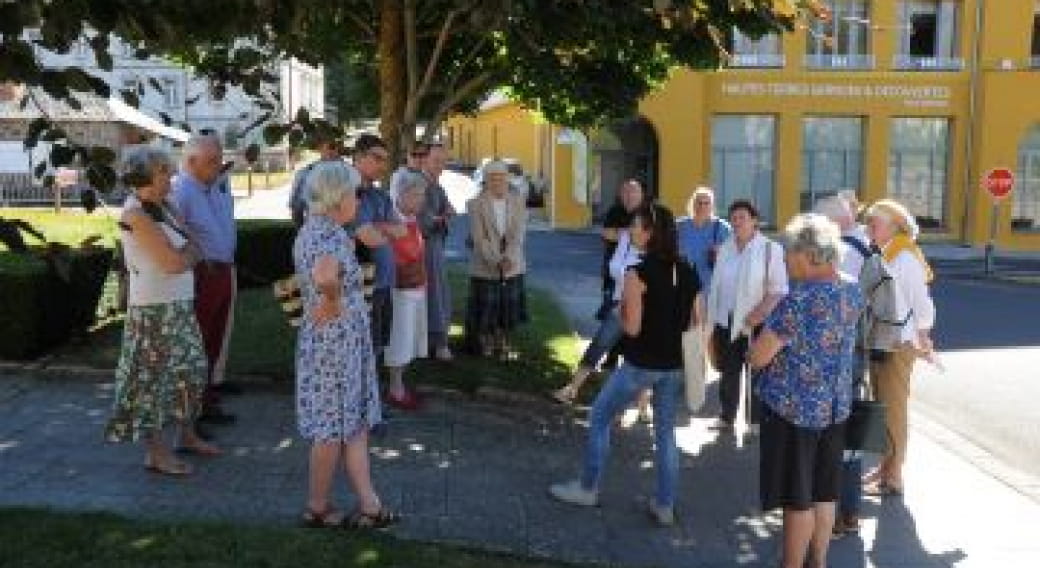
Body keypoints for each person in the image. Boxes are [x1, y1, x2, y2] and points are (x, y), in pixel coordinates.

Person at [549, 203, 700, 527]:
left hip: (640, 364)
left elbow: (631, 328)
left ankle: (587, 488)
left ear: (652, 232)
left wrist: (621, 312)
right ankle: (665, 505)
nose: (632, 231)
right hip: (674, 368)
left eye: (638, 226)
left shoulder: (638, 273)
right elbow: (697, 320)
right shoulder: (687, 269)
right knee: (665, 436)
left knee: (600, 416)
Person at [748, 213, 865, 568]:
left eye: (790, 253)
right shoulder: (851, 288)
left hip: (794, 411)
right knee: (825, 492)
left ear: (810, 255)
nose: (785, 259)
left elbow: (759, 357)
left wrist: (756, 335)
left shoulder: (797, 301)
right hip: (834, 408)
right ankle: (819, 561)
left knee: (797, 499)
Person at [293, 161, 399, 529]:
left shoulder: (323, 229)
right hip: (334, 346)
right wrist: (333, 301)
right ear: (337, 198)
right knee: (331, 429)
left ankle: (369, 504)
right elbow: (324, 274)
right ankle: (317, 507)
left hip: (340, 342)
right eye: (354, 193)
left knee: (352, 424)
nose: (359, 199)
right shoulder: (326, 234)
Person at [105, 146, 220, 476]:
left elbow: (191, 245)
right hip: (153, 312)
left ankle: (186, 435)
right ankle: (156, 454)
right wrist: (187, 255)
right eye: (163, 171)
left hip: (177, 306)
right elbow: (173, 261)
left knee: (191, 371)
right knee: (153, 383)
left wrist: (186, 254)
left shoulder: (163, 206)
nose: (171, 176)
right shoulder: (135, 215)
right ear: (144, 177)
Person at [862, 199, 936, 497]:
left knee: (893, 409)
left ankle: (893, 477)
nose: (868, 228)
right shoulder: (889, 253)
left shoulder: (904, 257)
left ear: (894, 225)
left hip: (898, 343)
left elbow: (922, 303)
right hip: (885, 341)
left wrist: (922, 336)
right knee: (883, 407)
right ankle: (886, 466)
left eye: (874, 223)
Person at [171, 133, 237, 429]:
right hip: (201, 275)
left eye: (219, 159)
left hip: (222, 271)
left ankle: (206, 400)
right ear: (191, 161)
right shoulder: (182, 191)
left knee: (212, 341)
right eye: (212, 161)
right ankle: (189, 413)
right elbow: (175, 238)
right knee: (197, 343)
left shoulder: (210, 187)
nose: (218, 166)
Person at [814, 194, 870, 536]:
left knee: (833, 438)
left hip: (836, 359)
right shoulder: (866, 246)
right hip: (855, 352)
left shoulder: (844, 255)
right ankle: (849, 511)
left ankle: (834, 515)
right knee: (849, 437)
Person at [551, 198, 643, 404]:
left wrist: (629, 275)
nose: (632, 228)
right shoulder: (626, 239)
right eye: (633, 223)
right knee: (599, 344)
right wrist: (632, 276)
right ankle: (572, 388)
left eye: (637, 224)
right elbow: (614, 267)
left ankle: (643, 406)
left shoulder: (655, 248)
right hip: (620, 304)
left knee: (640, 356)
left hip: (644, 310)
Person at [707, 200, 788, 433]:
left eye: (743, 217)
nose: (737, 221)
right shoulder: (725, 248)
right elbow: (717, 285)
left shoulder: (770, 249)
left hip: (757, 320)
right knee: (728, 371)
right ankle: (726, 417)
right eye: (733, 217)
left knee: (757, 371)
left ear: (754, 221)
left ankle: (755, 421)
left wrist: (760, 311)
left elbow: (779, 289)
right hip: (726, 319)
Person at [349, 134, 404, 366]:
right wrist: (383, 230)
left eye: (385, 159)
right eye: (377, 158)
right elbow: (370, 239)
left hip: (383, 282)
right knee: (361, 348)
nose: (383, 164)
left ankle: (369, 396)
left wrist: (379, 227)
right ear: (358, 158)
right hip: (359, 286)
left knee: (377, 345)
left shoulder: (380, 195)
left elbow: (402, 231)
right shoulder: (349, 195)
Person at [465, 159, 528, 358]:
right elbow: (478, 238)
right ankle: (486, 343)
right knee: (486, 308)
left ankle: (504, 342)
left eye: (501, 177)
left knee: (508, 308)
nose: (498, 181)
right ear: (485, 180)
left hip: (513, 263)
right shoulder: (475, 204)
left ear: (507, 178)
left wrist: (508, 257)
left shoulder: (518, 201)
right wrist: (496, 260)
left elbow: (518, 234)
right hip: (485, 264)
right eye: (492, 177)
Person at [384, 172, 430, 411]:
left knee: (409, 336)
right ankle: (395, 389)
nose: (420, 200)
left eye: (421, 195)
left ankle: (399, 384)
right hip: (400, 289)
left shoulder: (411, 218)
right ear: (401, 195)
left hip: (415, 286)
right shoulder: (393, 220)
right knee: (399, 338)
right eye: (415, 195)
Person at [419, 143, 456, 361]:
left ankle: (433, 341)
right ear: (424, 159)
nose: (440, 166)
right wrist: (441, 218)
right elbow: (422, 221)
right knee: (432, 294)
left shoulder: (436, 186)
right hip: (421, 249)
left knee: (437, 293)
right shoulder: (419, 184)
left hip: (434, 246)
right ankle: (436, 343)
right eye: (436, 160)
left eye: (444, 161)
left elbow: (447, 210)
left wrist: (443, 216)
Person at [596, 180, 645, 327]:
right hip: (612, 272)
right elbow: (606, 234)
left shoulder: (646, 213)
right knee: (610, 315)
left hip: (636, 275)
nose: (629, 196)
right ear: (621, 195)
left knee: (632, 318)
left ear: (641, 195)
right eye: (626, 193)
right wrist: (631, 233)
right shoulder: (614, 211)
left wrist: (621, 233)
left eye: (633, 192)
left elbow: (646, 238)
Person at [676, 186, 732, 292]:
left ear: (712, 206)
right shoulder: (680, 226)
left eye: (706, 203)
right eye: (699, 203)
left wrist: (721, 251)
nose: (702, 206)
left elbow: (733, 254)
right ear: (692, 204)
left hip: (711, 285)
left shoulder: (722, 227)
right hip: (683, 283)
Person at [288, 133, 342, 228]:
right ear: (319, 148)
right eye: (332, 147)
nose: (336, 151)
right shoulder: (305, 174)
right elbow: (297, 211)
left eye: (339, 146)